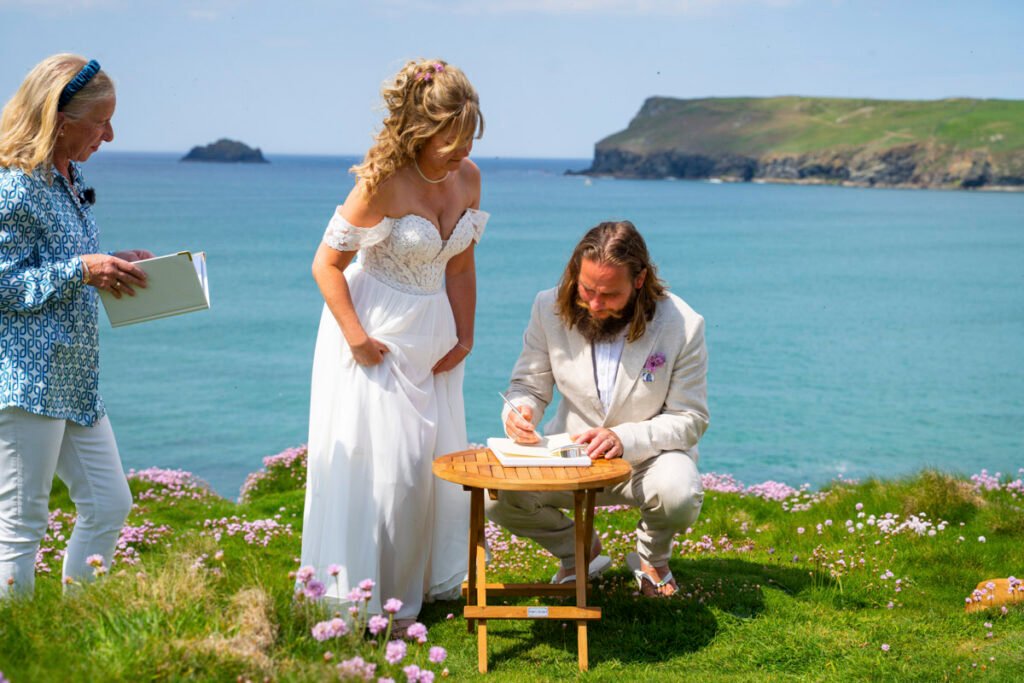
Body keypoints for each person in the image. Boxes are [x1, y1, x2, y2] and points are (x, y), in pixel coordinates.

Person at [299, 59, 486, 629]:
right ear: (420, 132)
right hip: (374, 332)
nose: (461, 154)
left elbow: (460, 265)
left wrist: (466, 333)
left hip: (434, 334)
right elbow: (326, 265)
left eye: (469, 140)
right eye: (451, 143)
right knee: (389, 472)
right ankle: (360, 600)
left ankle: (415, 594)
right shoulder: (381, 182)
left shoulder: (470, 179)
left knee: (432, 470)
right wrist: (356, 339)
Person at [486, 220, 708, 597]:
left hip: (646, 460)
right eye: (586, 288)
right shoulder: (547, 305)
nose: (593, 303)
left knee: (679, 494)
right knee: (497, 500)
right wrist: (520, 411)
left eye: (609, 294)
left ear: (639, 281)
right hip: (569, 457)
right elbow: (528, 385)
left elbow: (690, 419)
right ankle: (580, 552)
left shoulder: (684, 324)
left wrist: (623, 438)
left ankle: (651, 557)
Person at [0, 54, 154, 597]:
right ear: (60, 119)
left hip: (72, 377)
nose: (110, 135)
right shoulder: (13, 187)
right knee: (20, 526)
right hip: (25, 378)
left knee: (111, 502)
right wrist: (80, 270)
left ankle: (77, 620)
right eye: (102, 121)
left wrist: (107, 262)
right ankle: (15, 647)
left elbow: (58, 265)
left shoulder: (67, 177)